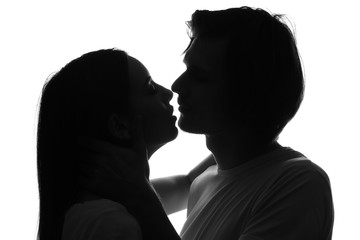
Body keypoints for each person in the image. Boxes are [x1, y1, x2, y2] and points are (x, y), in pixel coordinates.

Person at [81, 6, 334, 240]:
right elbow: (186, 184)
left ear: (249, 93)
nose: (177, 86)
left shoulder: (300, 185)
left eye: (199, 76)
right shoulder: (209, 175)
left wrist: (139, 195)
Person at [36, 49, 179, 240]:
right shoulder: (111, 224)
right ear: (119, 126)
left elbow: (188, 181)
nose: (168, 93)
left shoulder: (113, 203)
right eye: (150, 88)